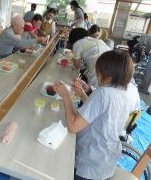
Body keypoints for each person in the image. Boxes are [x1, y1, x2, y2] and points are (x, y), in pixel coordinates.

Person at [53, 50, 134, 180]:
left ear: (104, 73)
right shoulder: (123, 95)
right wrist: (83, 95)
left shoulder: (102, 93)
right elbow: (103, 115)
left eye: (98, 72)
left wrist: (65, 96)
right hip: (107, 162)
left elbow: (73, 126)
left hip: (88, 165)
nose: (97, 75)